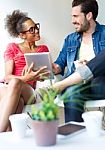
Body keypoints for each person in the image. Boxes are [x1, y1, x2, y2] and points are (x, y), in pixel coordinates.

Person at [52, 0, 105, 122]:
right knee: (72, 92)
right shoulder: (70, 39)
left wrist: (90, 65)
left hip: (100, 84)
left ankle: (61, 85)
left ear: (89, 15)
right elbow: (59, 63)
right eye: (72, 16)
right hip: (77, 86)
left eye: (76, 16)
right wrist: (52, 67)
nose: (72, 21)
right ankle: (75, 136)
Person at [0, 10, 50, 132]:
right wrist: (26, 77)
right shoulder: (12, 47)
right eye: (32, 29)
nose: (37, 31)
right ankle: (9, 138)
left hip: (28, 90)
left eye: (36, 27)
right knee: (18, 101)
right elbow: (7, 77)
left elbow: (45, 76)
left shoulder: (42, 49)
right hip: (9, 87)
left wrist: (36, 76)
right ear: (22, 35)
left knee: (16, 83)